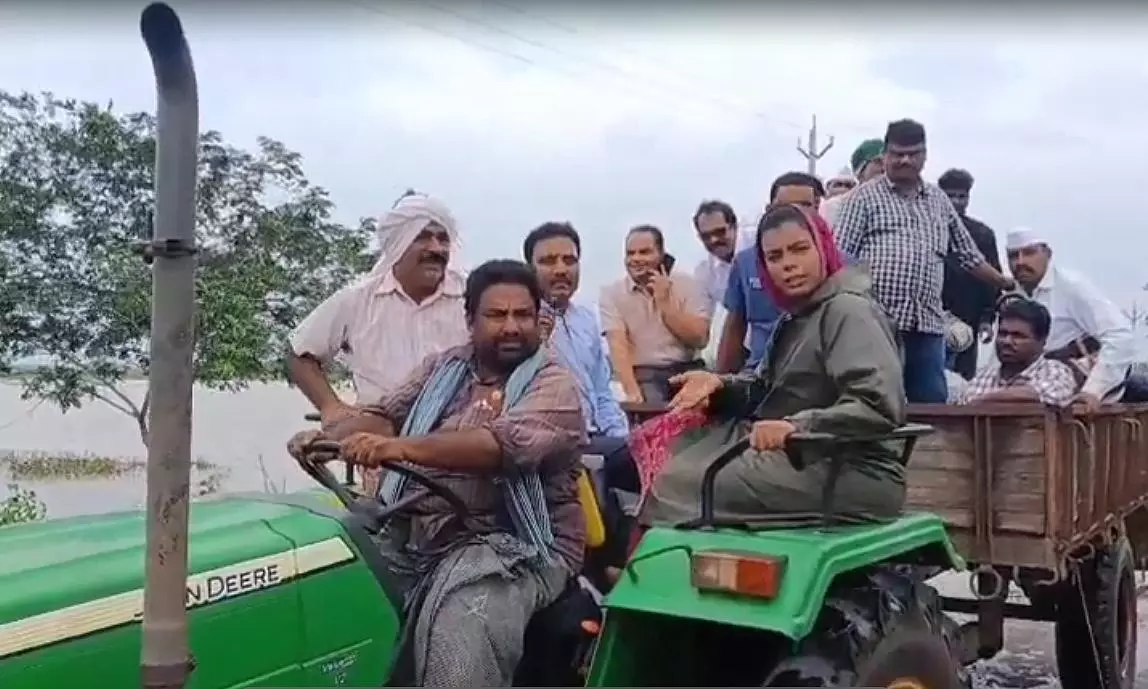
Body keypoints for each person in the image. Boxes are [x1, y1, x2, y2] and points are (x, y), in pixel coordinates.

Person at [288, 259, 585, 686]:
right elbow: (385, 416)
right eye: (496, 315)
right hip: (423, 531)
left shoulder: (554, 385)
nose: (511, 327)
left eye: (523, 315)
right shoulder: (443, 368)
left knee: (465, 621)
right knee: (330, 580)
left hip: (519, 544)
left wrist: (399, 447)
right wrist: (328, 437)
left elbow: (497, 446)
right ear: (470, 320)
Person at [642, 204, 908, 525]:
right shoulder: (798, 315)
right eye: (775, 257)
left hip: (851, 466)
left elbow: (877, 406)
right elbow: (766, 388)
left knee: (677, 481)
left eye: (799, 250)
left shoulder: (849, 311)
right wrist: (719, 385)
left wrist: (797, 426)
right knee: (659, 452)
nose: (789, 265)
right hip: (803, 453)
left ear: (823, 247)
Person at [836, 119, 1014, 403]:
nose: (905, 160)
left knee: (932, 406)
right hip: (877, 325)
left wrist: (1006, 283)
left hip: (928, 326)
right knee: (877, 403)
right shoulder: (862, 198)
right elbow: (839, 258)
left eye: (913, 153)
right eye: (897, 154)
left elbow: (969, 256)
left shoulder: (938, 200)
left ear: (925, 155)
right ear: (885, 155)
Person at [287, 192, 468, 422]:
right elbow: (301, 353)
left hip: (453, 432)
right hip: (378, 430)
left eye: (443, 239)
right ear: (398, 243)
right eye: (422, 237)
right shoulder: (357, 300)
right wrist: (330, 406)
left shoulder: (471, 296)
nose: (436, 248)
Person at [523, 221, 637, 493]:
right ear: (530, 268)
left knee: (651, 449)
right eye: (549, 261)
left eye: (569, 260)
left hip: (596, 438)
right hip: (550, 443)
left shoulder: (586, 319)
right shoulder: (521, 322)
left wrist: (623, 435)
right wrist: (539, 340)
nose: (561, 269)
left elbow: (601, 391)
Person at [998, 228, 1136, 409]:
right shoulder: (1014, 296)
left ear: (1047, 254)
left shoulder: (1071, 286)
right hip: (1026, 381)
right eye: (1014, 256)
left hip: (1070, 383)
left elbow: (1121, 336)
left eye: (1029, 253)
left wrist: (1093, 391)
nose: (1021, 262)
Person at [715, 172, 823, 373]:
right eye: (786, 207)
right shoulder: (745, 262)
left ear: (818, 209)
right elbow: (734, 328)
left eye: (804, 205)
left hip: (817, 378)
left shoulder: (845, 266)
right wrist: (718, 384)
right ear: (769, 210)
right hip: (759, 375)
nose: (795, 213)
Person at [599, 225, 711, 404]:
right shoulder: (612, 294)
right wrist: (632, 392)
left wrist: (664, 303)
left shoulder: (689, 285)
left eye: (644, 252)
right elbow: (618, 346)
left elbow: (699, 339)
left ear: (661, 255)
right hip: (646, 373)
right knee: (653, 406)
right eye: (630, 253)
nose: (636, 259)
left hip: (687, 369)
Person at [938, 168, 1003, 380]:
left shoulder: (982, 234)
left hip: (968, 318)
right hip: (930, 316)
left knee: (962, 379)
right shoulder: (925, 228)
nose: (956, 202)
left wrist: (987, 318)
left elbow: (993, 279)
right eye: (950, 195)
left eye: (962, 196)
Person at [958, 297, 1078, 406]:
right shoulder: (981, 379)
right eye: (1002, 333)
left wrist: (981, 401)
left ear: (1042, 341)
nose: (1007, 341)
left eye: (1018, 336)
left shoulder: (1055, 371)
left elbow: (1047, 395)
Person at [691, 199, 754, 318]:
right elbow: (702, 318)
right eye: (706, 236)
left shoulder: (758, 242)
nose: (713, 240)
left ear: (734, 226)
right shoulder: (705, 271)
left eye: (719, 232)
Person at [820, 138, 885, 228]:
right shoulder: (836, 207)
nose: (884, 168)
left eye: (888, 162)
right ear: (861, 171)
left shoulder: (900, 205)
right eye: (878, 162)